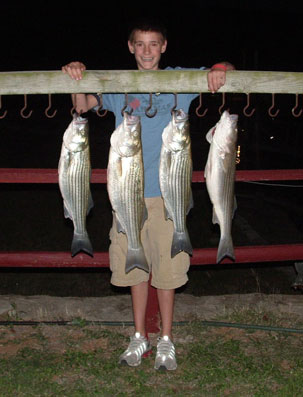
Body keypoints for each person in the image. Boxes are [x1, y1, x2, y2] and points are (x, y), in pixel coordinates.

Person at [62, 17, 234, 371]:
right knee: (134, 270)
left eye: (153, 44)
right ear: (130, 47)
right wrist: (75, 75)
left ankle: (166, 340)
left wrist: (219, 69)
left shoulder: (179, 81)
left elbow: (227, 71)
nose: (147, 51)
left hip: (167, 197)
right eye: (140, 44)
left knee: (168, 271)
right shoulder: (118, 86)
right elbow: (82, 105)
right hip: (126, 195)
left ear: (164, 47)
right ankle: (139, 336)